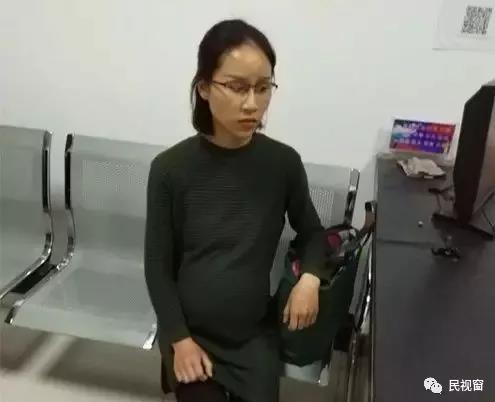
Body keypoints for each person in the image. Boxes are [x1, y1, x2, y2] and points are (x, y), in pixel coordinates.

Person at [144, 19, 327, 402]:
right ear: (204, 88)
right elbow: (157, 268)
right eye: (237, 87)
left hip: (252, 336)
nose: (252, 104)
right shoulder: (169, 169)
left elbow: (312, 233)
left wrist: (310, 279)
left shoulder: (282, 164)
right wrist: (179, 340)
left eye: (263, 88)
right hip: (190, 333)